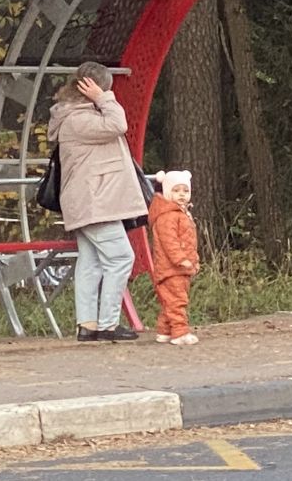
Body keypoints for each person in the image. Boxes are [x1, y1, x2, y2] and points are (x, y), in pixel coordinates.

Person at [49, 61, 146, 341]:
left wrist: (98, 100)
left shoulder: (77, 115)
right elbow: (118, 124)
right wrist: (102, 98)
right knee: (121, 257)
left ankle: (88, 324)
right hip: (95, 202)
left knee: (91, 262)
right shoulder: (80, 119)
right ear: (91, 89)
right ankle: (107, 324)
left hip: (92, 201)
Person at [147, 171, 200, 344]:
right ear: (168, 192)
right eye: (177, 191)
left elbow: (189, 242)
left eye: (185, 191)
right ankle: (179, 333)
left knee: (169, 301)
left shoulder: (181, 214)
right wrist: (181, 260)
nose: (182, 195)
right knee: (177, 301)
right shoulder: (167, 216)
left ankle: (165, 331)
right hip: (172, 268)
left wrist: (194, 260)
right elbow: (170, 242)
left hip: (180, 268)